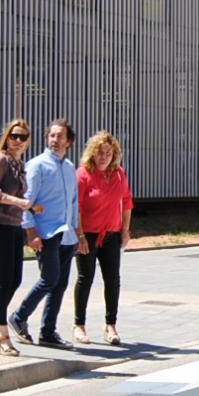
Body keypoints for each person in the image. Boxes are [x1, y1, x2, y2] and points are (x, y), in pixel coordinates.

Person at [10, 118, 79, 349]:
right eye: (52, 135)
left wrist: (76, 231)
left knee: (60, 284)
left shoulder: (69, 168)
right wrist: (31, 233)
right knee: (49, 279)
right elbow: (26, 201)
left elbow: (74, 202)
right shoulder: (37, 165)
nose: (55, 140)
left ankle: (48, 332)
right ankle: (19, 316)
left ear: (68, 141)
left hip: (66, 234)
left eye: (60, 136)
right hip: (46, 232)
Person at [0, 119, 38, 357]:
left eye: (23, 137)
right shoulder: (0, 160)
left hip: (14, 224)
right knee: (4, 279)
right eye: (14, 136)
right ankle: (2, 336)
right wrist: (19, 202)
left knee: (15, 279)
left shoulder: (18, 163)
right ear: (7, 137)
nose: (18, 141)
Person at [74, 130, 135, 346]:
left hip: (111, 234)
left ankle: (111, 325)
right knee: (85, 278)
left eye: (108, 153)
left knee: (113, 280)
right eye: (100, 152)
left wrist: (125, 230)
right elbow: (77, 207)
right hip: (88, 235)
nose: (104, 157)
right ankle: (79, 325)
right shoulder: (83, 174)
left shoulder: (119, 174)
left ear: (114, 155)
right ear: (92, 153)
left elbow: (127, 202)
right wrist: (80, 235)